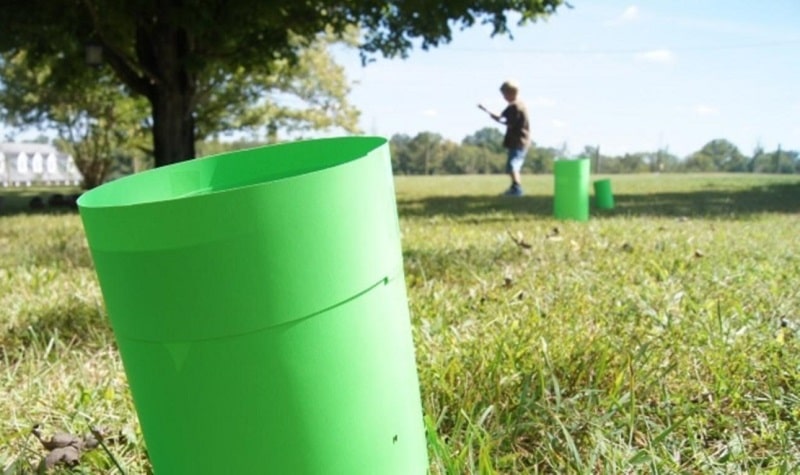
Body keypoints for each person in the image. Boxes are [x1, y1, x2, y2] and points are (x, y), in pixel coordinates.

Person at [478, 80, 531, 196]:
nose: (503, 97)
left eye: (504, 94)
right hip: (520, 141)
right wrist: (487, 111)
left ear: (510, 93)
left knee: (513, 165)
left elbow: (505, 121)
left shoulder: (515, 106)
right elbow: (503, 118)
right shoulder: (518, 105)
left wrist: (488, 112)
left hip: (519, 141)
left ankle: (517, 189)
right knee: (511, 165)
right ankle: (514, 187)